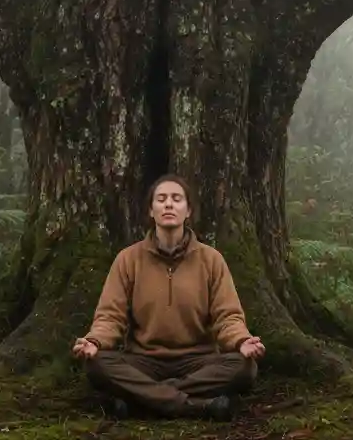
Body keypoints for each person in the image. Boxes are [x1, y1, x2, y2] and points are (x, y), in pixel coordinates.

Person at [72, 174, 266, 420]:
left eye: (176, 199)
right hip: (143, 362)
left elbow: (227, 316)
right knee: (97, 365)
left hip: (199, 362)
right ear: (151, 211)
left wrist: (241, 341)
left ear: (188, 211)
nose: (169, 204)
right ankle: (198, 406)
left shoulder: (211, 260)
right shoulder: (128, 259)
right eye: (161, 199)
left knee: (244, 367)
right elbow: (111, 316)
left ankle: (141, 401)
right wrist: (95, 341)